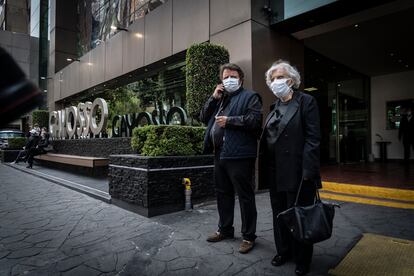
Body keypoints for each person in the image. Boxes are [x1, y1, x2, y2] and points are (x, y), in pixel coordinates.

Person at [258, 60, 321, 275]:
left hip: (298, 171)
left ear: (292, 80)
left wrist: (309, 171)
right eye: (273, 78)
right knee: (279, 214)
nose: (276, 81)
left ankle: (302, 258)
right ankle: (283, 251)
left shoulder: (306, 101)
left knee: (300, 215)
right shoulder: (273, 106)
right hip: (275, 171)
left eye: (280, 77)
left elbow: (313, 139)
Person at [200, 63, 262, 254]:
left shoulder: (250, 97)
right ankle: (225, 230)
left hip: (240, 155)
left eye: (233, 76)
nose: (229, 80)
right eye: (225, 77)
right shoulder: (220, 100)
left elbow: (255, 121)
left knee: (245, 196)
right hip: (219, 153)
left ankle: (248, 237)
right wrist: (213, 97)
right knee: (222, 194)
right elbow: (203, 118)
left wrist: (230, 121)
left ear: (240, 79)